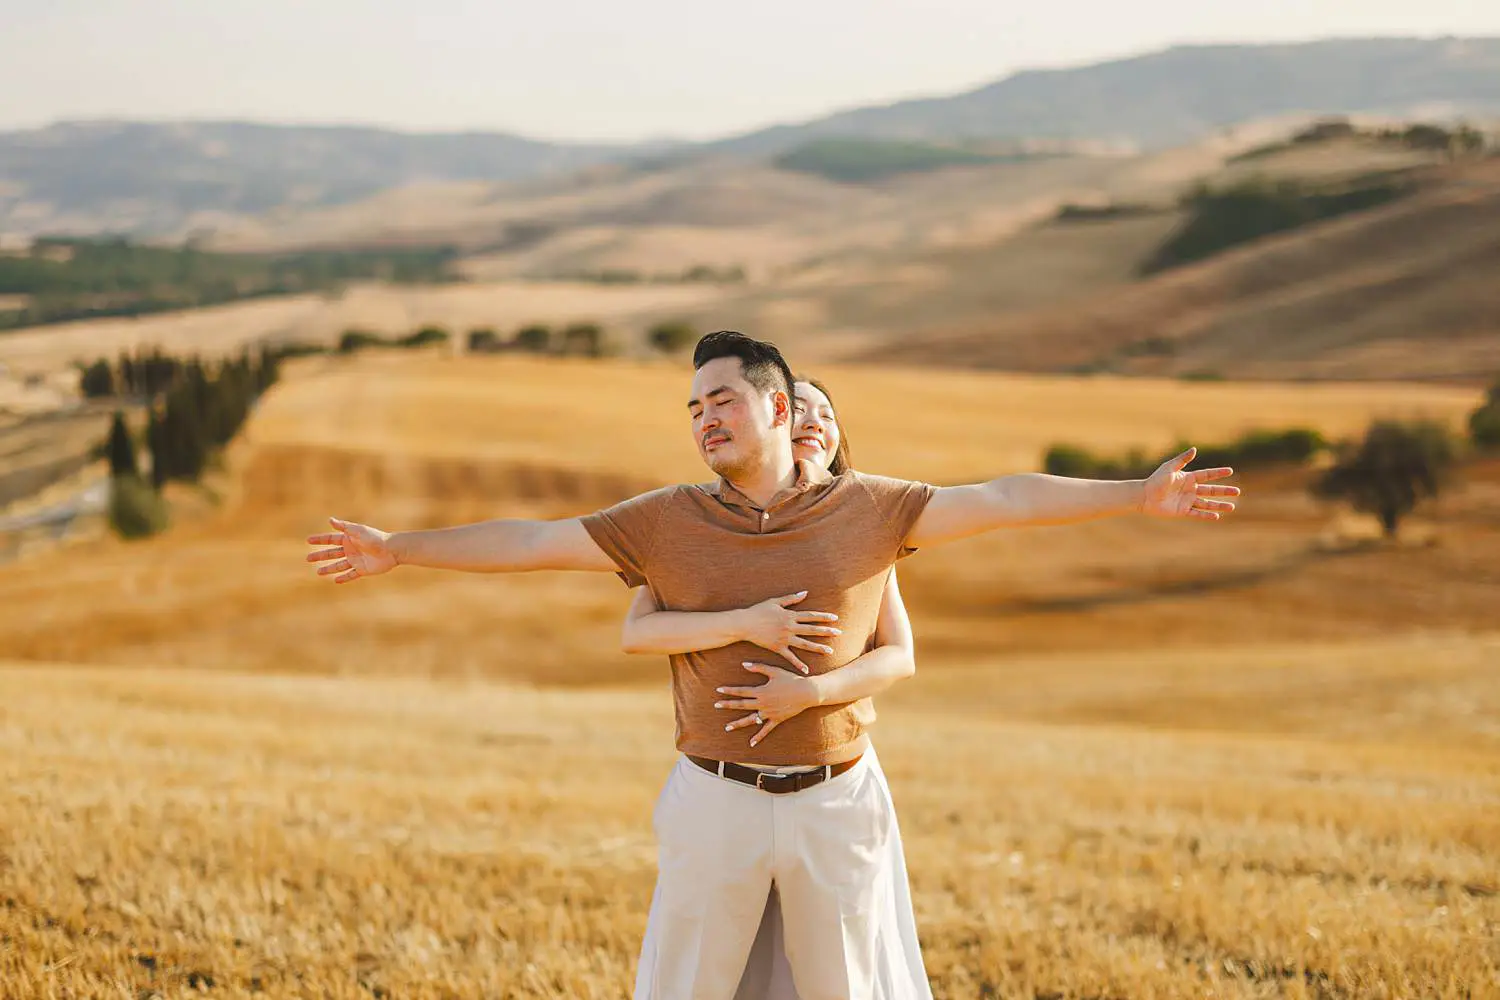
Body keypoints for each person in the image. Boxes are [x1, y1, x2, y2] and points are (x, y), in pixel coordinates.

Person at [305, 330, 1239, 999]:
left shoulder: (872, 508)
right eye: (695, 406)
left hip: (837, 800)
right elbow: (528, 541)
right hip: (714, 797)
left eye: (724, 400)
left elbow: (1001, 498)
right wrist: (401, 546)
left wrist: (1136, 495)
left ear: (779, 408)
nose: (705, 418)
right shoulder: (665, 521)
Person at [619, 376, 926, 998]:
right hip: (720, 789)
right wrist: (745, 624)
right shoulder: (698, 521)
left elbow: (899, 656)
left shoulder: (864, 522)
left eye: (827, 413)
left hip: (834, 787)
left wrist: (810, 695)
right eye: (801, 409)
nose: (814, 421)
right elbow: (639, 630)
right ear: (775, 420)